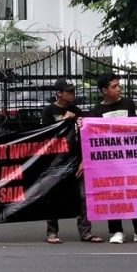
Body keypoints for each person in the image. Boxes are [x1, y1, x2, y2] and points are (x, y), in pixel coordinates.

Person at [88, 73, 137, 244]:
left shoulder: (128, 103)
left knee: (136, 194)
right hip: (109, 161)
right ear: (104, 90)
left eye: (119, 85)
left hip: (130, 158)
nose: (119, 89)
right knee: (113, 195)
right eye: (114, 86)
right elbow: (92, 137)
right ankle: (116, 231)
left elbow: (136, 126)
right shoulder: (96, 111)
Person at [41, 78, 102, 244]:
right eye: (69, 92)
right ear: (59, 93)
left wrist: (84, 160)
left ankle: (85, 231)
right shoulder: (49, 111)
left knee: (83, 196)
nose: (72, 94)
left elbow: (85, 137)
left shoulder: (77, 111)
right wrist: (63, 121)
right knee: (54, 196)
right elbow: (47, 137)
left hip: (75, 160)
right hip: (56, 161)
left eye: (73, 91)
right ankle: (52, 232)